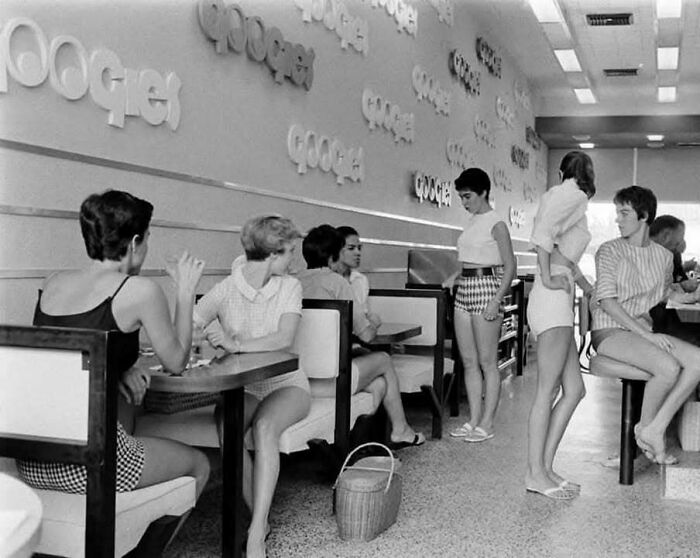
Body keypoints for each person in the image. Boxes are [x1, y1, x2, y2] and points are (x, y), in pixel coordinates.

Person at [17, 189, 210, 553]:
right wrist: (184, 292)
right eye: (148, 238)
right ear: (136, 241)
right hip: (92, 464)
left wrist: (122, 365)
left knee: (127, 419)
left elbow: (64, 358)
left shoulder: (52, 282)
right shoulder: (139, 290)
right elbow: (176, 361)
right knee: (199, 464)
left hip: (34, 459)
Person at [193, 214, 310, 558]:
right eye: (291, 253)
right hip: (244, 387)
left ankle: (257, 527)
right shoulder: (227, 288)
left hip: (287, 384)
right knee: (227, 426)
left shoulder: (290, 287)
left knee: (264, 426)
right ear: (274, 254)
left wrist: (235, 344)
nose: (295, 261)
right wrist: (200, 328)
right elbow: (191, 324)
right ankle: (259, 515)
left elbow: (285, 339)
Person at [591, 187, 700, 465]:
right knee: (668, 366)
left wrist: (689, 295)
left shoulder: (663, 257)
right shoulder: (610, 250)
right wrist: (648, 337)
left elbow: (663, 294)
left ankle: (653, 428)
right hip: (611, 331)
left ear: (644, 216)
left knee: (698, 360)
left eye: (624, 212)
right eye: (618, 212)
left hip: (643, 333)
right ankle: (650, 432)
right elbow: (606, 300)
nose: (618, 219)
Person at [296, 224, 425, 448]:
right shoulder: (337, 283)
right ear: (334, 256)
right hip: (333, 381)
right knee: (384, 360)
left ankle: (356, 443)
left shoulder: (292, 282)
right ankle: (400, 429)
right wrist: (374, 321)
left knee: (378, 384)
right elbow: (365, 334)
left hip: (298, 378)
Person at [525, 151, 596, 500]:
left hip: (558, 294)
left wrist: (586, 287)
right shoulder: (574, 195)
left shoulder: (563, 197)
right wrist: (547, 276)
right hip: (552, 298)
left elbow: (563, 252)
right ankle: (534, 473)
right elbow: (543, 234)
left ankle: (545, 468)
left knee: (575, 390)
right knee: (546, 391)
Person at [443, 168, 516, 443]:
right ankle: (472, 419)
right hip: (465, 288)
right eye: (461, 197)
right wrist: (455, 276)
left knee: (487, 362)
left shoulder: (496, 223)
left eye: (468, 196)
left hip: (488, 288)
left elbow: (510, 266)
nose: (464, 202)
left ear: (483, 192)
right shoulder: (471, 222)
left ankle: (487, 422)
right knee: (469, 361)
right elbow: (471, 258)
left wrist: (497, 299)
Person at [649, 215, 700, 345]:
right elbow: (659, 292)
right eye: (679, 240)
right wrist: (691, 296)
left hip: (662, 317)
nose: (679, 245)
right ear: (665, 235)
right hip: (649, 323)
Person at [331, 225, 382, 330]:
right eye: (351, 248)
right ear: (336, 250)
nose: (358, 253)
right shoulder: (328, 279)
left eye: (359, 248)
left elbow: (364, 315)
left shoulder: (361, 279)